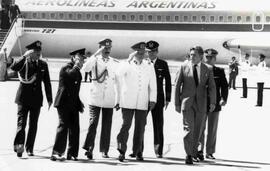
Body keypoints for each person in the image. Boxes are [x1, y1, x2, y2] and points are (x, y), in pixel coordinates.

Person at [129, 40, 171, 158]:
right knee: (141, 124)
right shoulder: (143, 63)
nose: (151, 54)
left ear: (157, 52)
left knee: (158, 125)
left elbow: (168, 81)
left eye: (153, 52)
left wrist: (168, 98)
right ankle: (139, 151)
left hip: (158, 99)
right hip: (144, 97)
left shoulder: (163, 64)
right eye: (149, 52)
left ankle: (158, 150)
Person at [115, 42, 157, 162]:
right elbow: (118, 74)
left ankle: (138, 151)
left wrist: (153, 99)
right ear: (134, 52)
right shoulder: (126, 64)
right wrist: (128, 59)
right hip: (128, 100)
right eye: (138, 52)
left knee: (140, 127)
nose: (141, 54)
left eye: (143, 53)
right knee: (125, 125)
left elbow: (153, 84)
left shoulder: (149, 65)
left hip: (142, 101)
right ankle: (121, 150)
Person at [10, 40, 52, 157]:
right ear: (30, 52)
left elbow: (47, 82)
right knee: (21, 124)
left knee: (33, 125)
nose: (38, 53)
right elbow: (14, 67)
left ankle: (29, 148)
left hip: (36, 100)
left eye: (39, 51)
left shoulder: (43, 64)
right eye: (36, 51)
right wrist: (24, 56)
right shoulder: (24, 62)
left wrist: (49, 98)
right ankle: (19, 145)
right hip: (23, 99)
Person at [174, 46, 216, 165]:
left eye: (194, 55)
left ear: (201, 56)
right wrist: (177, 103)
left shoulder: (208, 68)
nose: (192, 57)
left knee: (198, 131)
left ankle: (193, 153)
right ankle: (188, 154)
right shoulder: (184, 67)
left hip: (201, 104)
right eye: (191, 54)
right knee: (188, 129)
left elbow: (212, 87)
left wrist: (213, 102)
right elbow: (177, 86)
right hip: (187, 103)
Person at [82, 38, 119, 159]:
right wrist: (96, 54)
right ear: (100, 48)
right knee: (93, 123)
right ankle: (89, 148)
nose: (107, 50)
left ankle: (104, 150)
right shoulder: (94, 60)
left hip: (109, 98)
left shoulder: (114, 62)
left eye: (109, 48)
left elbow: (118, 81)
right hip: (95, 98)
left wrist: (118, 99)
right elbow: (85, 69)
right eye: (105, 48)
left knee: (107, 126)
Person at [50, 48, 86, 161]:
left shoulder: (78, 71)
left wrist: (78, 102)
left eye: (82, 60)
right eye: (79, 59)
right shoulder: (66, 67)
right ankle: (57, 152)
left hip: (74, 103)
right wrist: (76, 66)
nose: (81, 62)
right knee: (63, 126)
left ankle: (72, 153)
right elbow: (69, 76)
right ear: (73, 58)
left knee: (75, 129)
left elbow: (75, 89)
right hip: (63, 102)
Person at [198, 49, 228, 160]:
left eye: (211, 57)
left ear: (215, 59)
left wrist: (224, 99)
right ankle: (199, 150)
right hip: (201, 103)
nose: (209, 59)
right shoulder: (199, 69)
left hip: (215, 104)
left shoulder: (219, 71)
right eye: (207, 57)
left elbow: (224, 86)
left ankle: (210, 152)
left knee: (212, 129)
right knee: (200, 129)